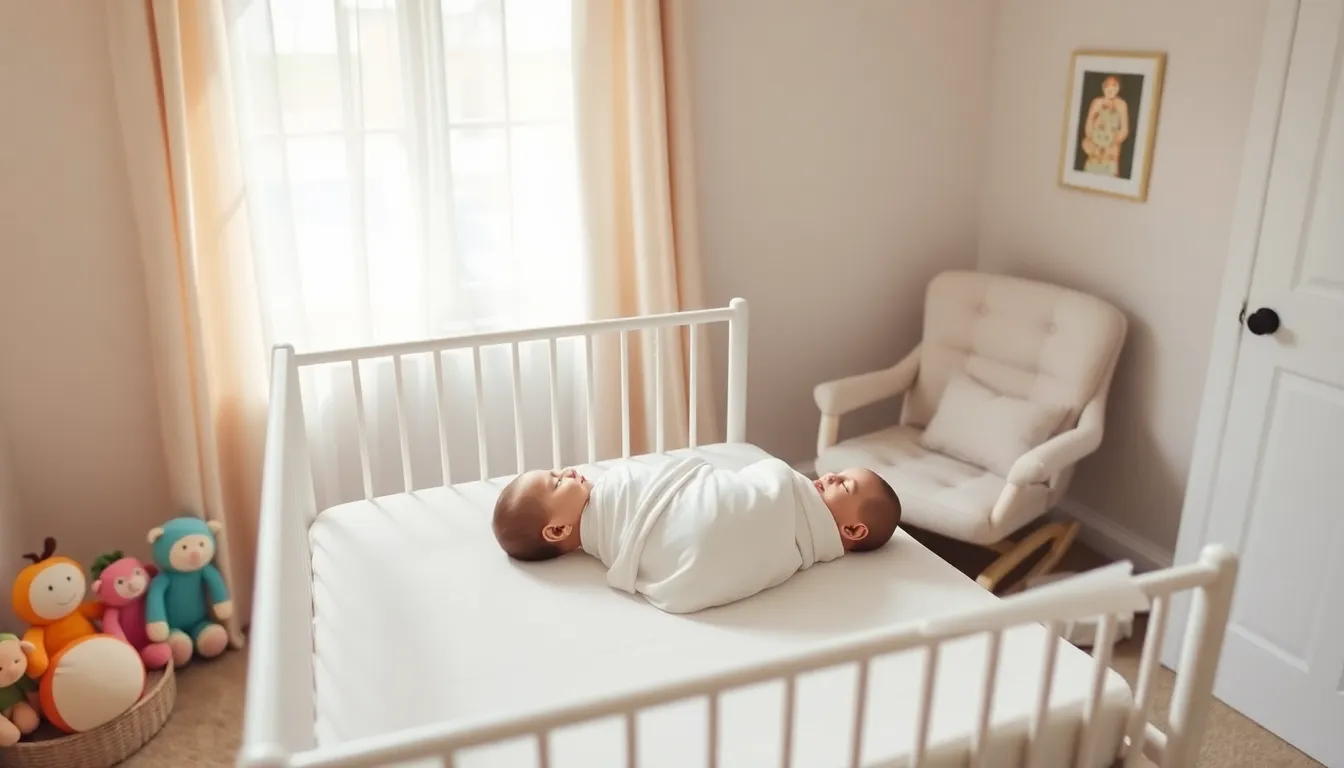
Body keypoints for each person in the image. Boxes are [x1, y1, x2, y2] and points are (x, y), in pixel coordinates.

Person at [490, 458, 901, 613]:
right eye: (554, 482)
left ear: (852, 530)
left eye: (844, 485)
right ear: (557, 529)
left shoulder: (794, 507)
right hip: (693, 532)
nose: (829, 474)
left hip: (729, 517)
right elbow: (678, 494)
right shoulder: (615, 500)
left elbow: (737, 496)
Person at [1081, 74, 1129, 177]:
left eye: (1114, 85)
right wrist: (1093, 140)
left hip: (1111, 147)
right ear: (1103, 87)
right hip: (1095, 146)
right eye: (1107, 85)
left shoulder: (1121, 104)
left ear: (1118, 88)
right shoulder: (1096, 102)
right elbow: (1088, 125)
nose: (1110, 88)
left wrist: (1112, 140)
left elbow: (1124, 130)